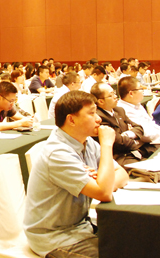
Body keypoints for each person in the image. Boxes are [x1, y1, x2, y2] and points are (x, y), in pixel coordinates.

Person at [24, 91, 129, 258]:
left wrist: (103, 181)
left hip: (82, 227)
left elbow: (122, 174)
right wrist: (107, 145)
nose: (98, 119)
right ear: (71, 120)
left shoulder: (87, 142)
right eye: (92, 113)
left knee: (135, 240)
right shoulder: (57, 153)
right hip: (55, 237)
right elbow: (104, 193)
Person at [91, 83, 154, 165]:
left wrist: (128, 134)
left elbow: (138, 127)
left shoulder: (119, 110)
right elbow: (119, 142)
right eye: (110, 95)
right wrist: (136, 140)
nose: (115, 96)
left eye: (114, 93)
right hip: (118, 157)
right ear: (101, 101)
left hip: (133, 151)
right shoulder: (99, 117)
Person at [116, 76, 160, 141]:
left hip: (157, 137)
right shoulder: (123, 110)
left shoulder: (137, 104)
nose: (143, 91)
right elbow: (144, 133)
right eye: (140, 88)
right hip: (147, 143)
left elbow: (151, 124)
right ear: (131, 93)